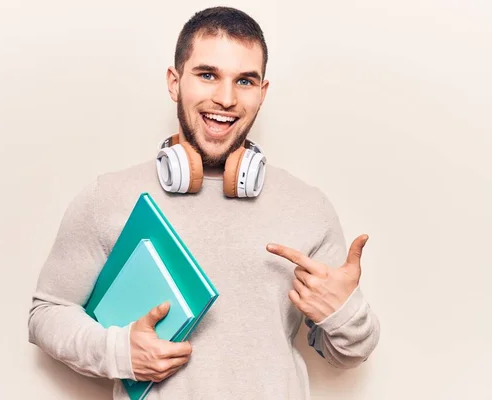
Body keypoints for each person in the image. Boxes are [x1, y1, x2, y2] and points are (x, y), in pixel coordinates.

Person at [28, 6, 380, 399]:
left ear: (262, 93)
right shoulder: (108, 197)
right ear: (174, 82)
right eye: (208, 75)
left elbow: (345, 355)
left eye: (244, 81)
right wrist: (119, 353)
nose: (226, 98)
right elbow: (46, 314)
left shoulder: (309, 207)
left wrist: (344, 312)